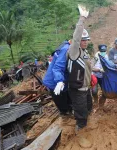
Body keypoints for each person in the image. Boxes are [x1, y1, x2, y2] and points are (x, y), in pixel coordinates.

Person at [66, 4, 92, 132]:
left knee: (88, 107)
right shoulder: (74, 52)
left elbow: (87, 68)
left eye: (86, 40)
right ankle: (80, 129)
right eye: (83, 40)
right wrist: (82, 18)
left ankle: (86, 125)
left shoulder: (85, 52)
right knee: (81, 112)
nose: (85, 42)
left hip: (86, 87)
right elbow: (76, 38)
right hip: (78, 88)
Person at [43, 40, 72, 116]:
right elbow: (58, 68)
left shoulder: (67, 46)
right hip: (55, 80)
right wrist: (59, 81)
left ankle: (69, 111)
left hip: (63, 78)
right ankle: (65, 114)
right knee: (61, 100)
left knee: (67, 97)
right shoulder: (66, 49)